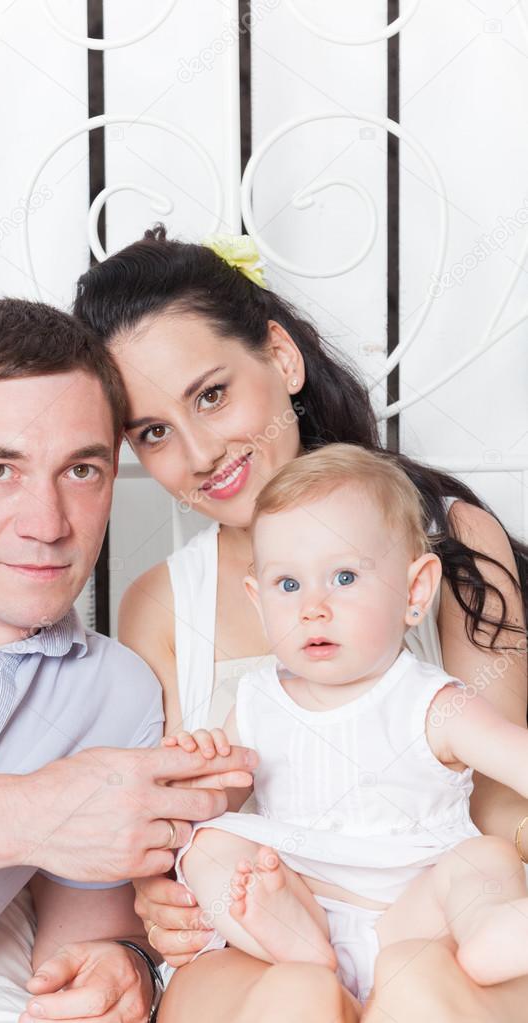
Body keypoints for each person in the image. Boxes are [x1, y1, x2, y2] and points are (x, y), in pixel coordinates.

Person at [70, 226, 528, 1023]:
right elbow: (179, 815)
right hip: (263, 937)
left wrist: (444, 907)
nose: (201, 450)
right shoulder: (161, 602)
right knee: (297, 993)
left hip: (428, 903)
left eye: (211, 394)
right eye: (153, 433)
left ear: (281, 359)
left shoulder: (449, 543)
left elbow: (499, 809)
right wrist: (163, 893)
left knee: (421, 984)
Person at [0, 298, 256, 1023]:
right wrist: (35, 810)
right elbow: (52, 817)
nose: (47, 524)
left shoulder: (116, 693)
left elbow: (85, 940)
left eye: (82, 471)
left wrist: (119, 967)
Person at [169, 444, 528, 1007]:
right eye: (288, 585)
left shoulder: (432, 702)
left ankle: (488, 927)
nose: (313, 607)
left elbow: (518, 758)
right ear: (258, 602)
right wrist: (205, 769)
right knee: (207, 846)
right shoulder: (257, 701)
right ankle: (301, 945)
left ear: (414, 592)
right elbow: (221, 800)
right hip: (303, 892)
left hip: (412, 912)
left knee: (483, 860)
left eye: (343, 576)